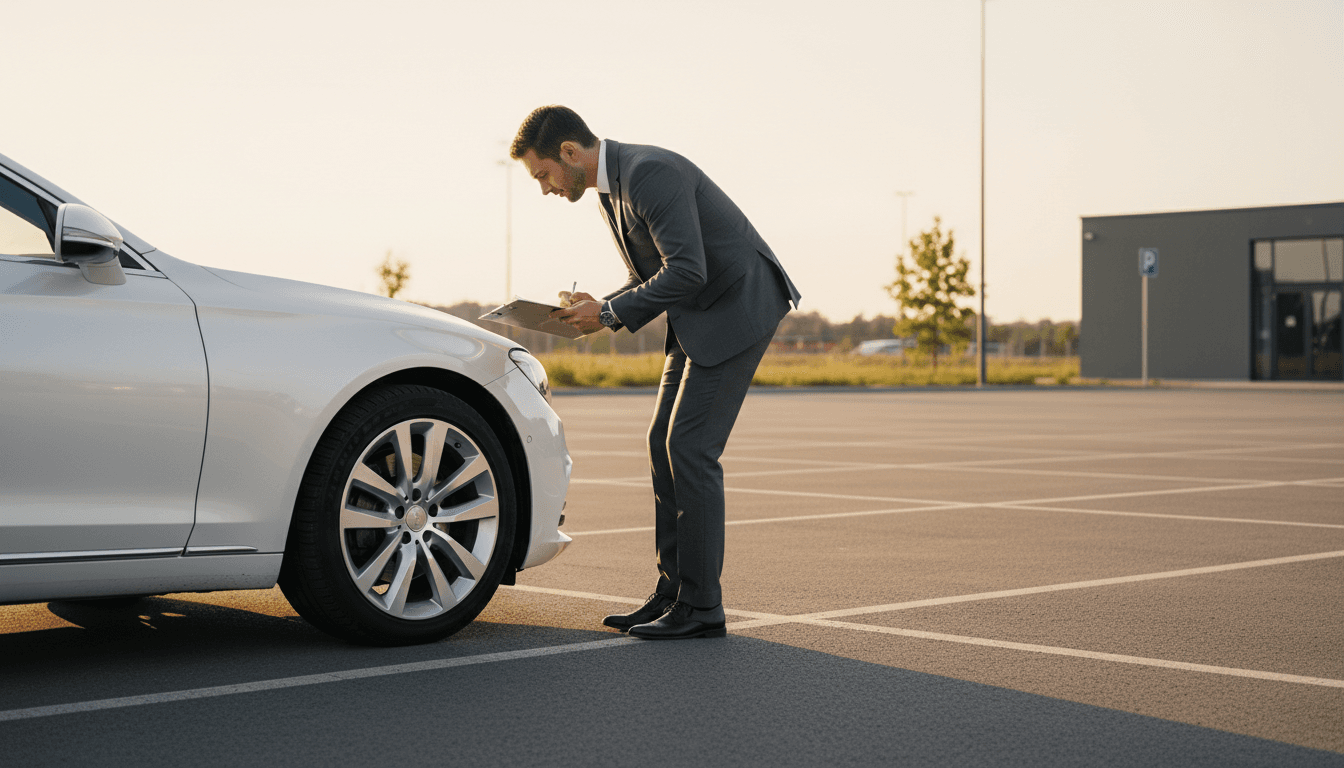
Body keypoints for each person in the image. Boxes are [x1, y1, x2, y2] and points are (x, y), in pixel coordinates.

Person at [510, 105, 801, 640]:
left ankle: (702, 607)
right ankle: (673, 592)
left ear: (569, 153)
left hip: (737, 307)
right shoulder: (611, 191)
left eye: (543, 174)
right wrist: (602, 304)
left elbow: (688, 269)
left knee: (690, 448)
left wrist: (609, 313)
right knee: (660, 442)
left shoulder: (648, 173)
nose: (545, 189)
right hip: (699, 313)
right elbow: (651, 273)